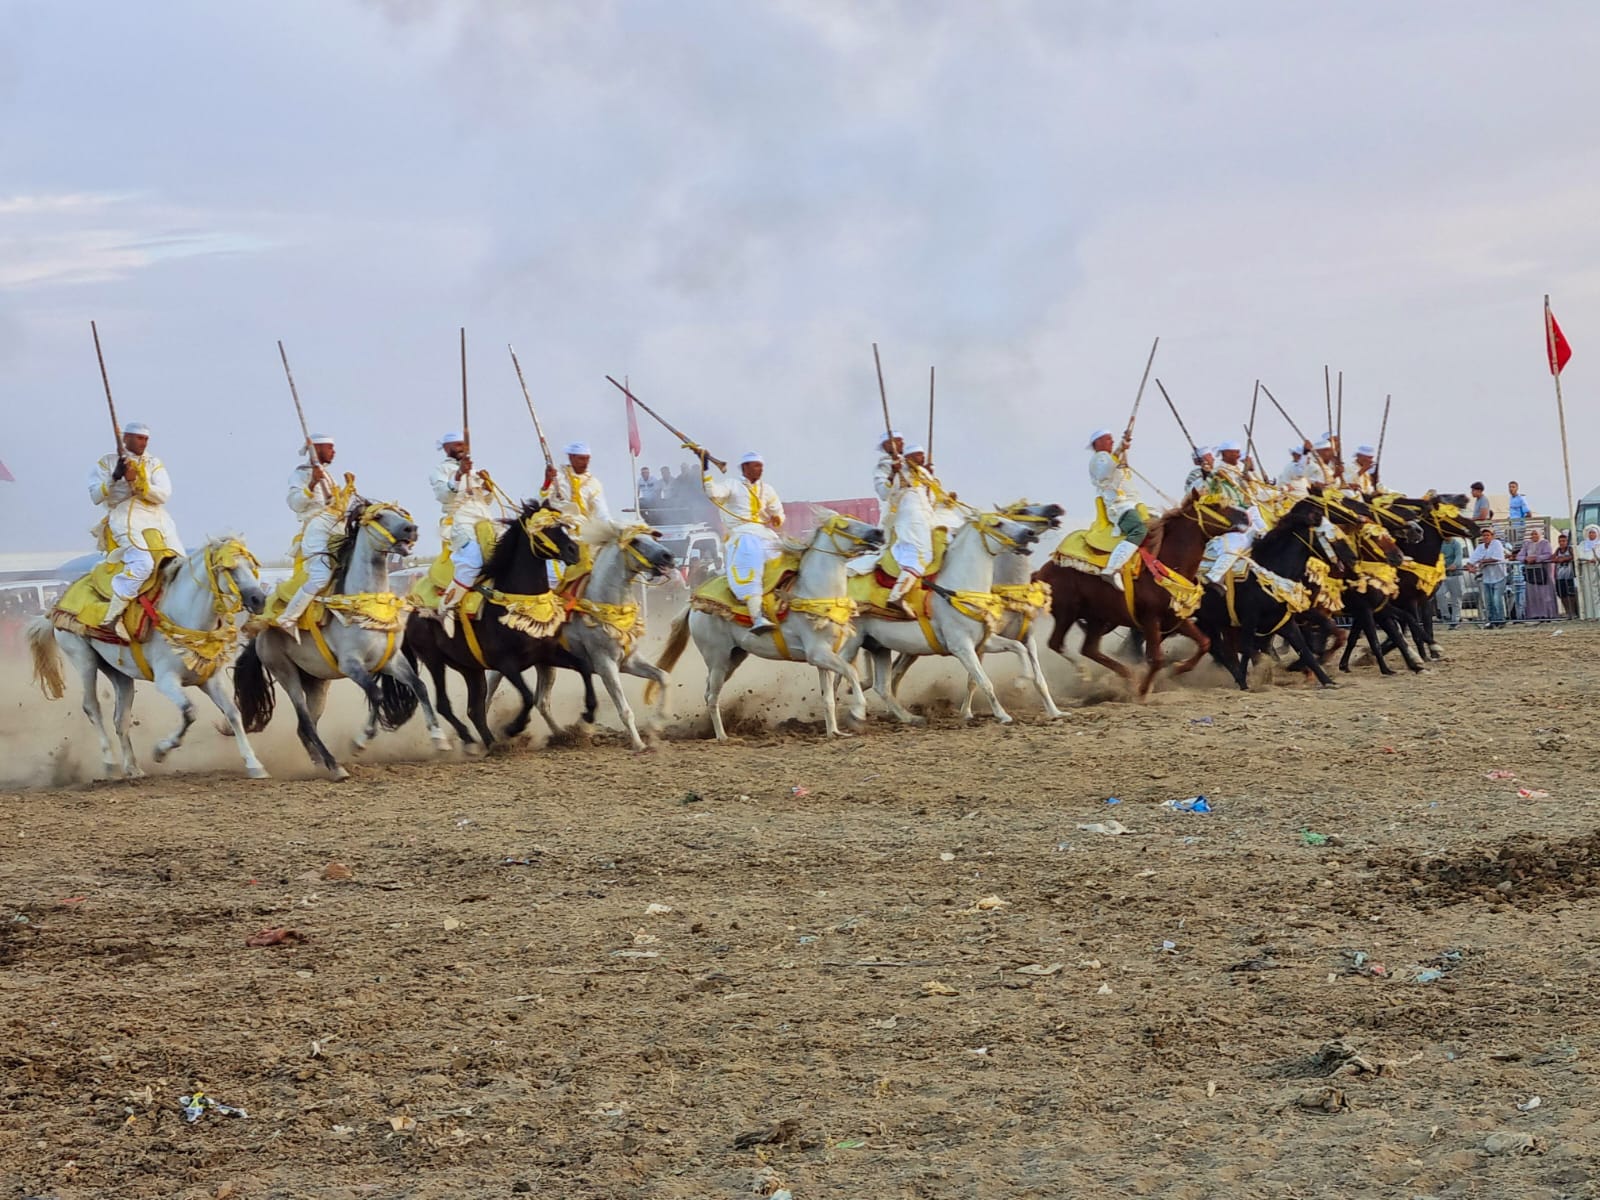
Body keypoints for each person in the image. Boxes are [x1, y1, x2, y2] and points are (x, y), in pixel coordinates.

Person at [87, 421, 185, 630]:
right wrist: (115, 477)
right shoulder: (107, 462)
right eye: (139, 438)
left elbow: (164, 494)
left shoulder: (153, 463)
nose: (144, 442)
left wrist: (139, 483)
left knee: (181, 564)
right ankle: (113, 615)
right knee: (143, 564)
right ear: (125, 438)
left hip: (157, 518)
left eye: (146, 439)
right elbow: (95, 496)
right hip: (123, 516)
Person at [702, 450, 784, 632]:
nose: (760, 469)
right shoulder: (732, 485)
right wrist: (705, 468)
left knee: (788, 560)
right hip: (742, 536)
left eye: (761, 466)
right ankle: (757, 617)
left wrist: (778, 517)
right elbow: (713, 493)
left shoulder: (767, 489)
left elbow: (777, 510)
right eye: (756, 466)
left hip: (765, 534)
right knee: (750, 565)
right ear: (745, 468)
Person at [429, 433, 500, 635]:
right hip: (460, 520)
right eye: (457, 444)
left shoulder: (473, 469)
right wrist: (459, 475)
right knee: (472, 560)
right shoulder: (440, 470)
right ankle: (448, 607)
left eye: (464, 444)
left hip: (484, 519)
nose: (462, 447)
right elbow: (443, 494)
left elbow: (484, 501)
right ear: (446, 447)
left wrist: (487, 489)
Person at [276, 433, 348, 632]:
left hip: (337, 525)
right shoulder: (301, 473)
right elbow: (295, 503)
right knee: (320, 577)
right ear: (316, 450)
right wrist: (312, 484)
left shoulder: (327, 474)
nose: (333, 452)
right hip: (316, 526)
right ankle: (288, 619)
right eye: (329, 448)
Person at [1087, 428, 1146, 591]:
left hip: (1133, 504)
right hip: (1119, 506)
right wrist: (1120, 448)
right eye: (1107, 439)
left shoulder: (1110, 458)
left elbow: (1118, 467)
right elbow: (1105, 473)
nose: (1111, 442)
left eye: (1112, 439)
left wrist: (1123, 448)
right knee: (1138, 530)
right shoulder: (1100, 458)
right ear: (1097, 443)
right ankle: (1112, 569)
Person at [1466, 525, 1509, 628]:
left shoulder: (1497, 544)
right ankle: (1491, 620)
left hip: (1499, 576)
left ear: (1492, 536)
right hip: (1487, 577)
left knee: (1496, 599)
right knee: (1488, 600)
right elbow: (1472, 560)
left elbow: (1496, 558)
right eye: (1484, 535)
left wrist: (1482, 561)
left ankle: (1500, 620)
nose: (1486, 537)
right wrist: (1470, 567)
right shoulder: (1480, 547)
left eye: (1488, 535)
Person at [1516, 527, 1557, 620]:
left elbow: (1548, 554)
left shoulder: (1545, 543)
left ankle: (1547, 614)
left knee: (1544, 594)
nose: (1534, 536)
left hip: (1543, 572)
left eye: (1536, 534)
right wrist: (1526, 559)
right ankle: (1534, 614)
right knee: (1532, 594)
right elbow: (1519, 555)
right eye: (1532, 534)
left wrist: (1536, 558)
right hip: (1531, 572)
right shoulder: (1527, 544)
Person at [1437, 535, 1467, 630]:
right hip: (1443, 574)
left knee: (1456, 598)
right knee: (1439, 594)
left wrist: (1454, 565)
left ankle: (1455, 620)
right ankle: (1446, 615)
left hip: (1455, 574)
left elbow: (1459, 556)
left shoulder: (1456, 544)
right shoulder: (1440, 544)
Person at [1576, 524, 1600, 619]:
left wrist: (1596, 559)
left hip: (1597, 569)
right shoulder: (1583, 544)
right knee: (1588, 591)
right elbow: (1580, 555)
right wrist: (1588, 559)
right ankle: (1589, 614)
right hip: (1586, 569)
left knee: (1597, 590)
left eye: (1593, 533)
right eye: (1590, 533)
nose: (1591, 535)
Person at [1553, 531, 1578, 619]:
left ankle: (1573, 612)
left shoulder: (1569, 549)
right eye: (1560, 541)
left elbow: (1574, 556)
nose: (1562, 543)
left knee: (1571, 594)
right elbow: (1552, 558)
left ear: (1567, 541)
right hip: (1559, 576)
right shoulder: (1558, 550)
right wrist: (1557, 559)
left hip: (1569, 575)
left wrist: (1564, 559)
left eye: (1564, 541)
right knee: (1562, 595)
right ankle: (1567, 612)